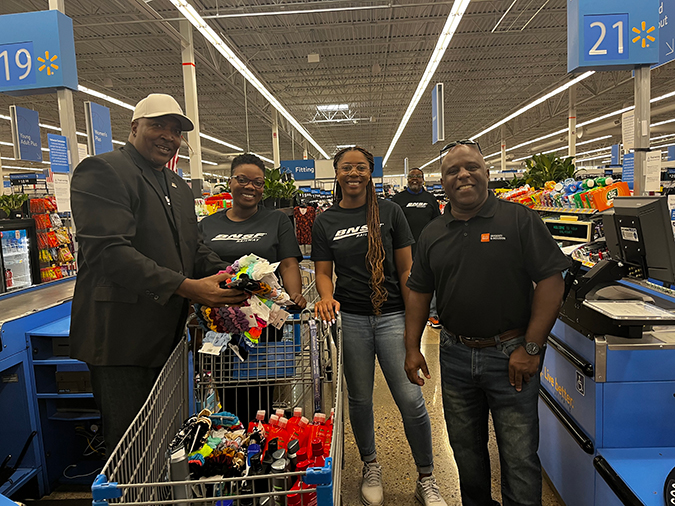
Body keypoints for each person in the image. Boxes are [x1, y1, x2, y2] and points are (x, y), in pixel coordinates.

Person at [69, 93, 247, 455]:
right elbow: (108, 253)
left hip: (167, 338)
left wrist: (236, 276)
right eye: (158, 125)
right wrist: (187, 288)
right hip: (121, 339)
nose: (169, 135)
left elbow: (192, 248)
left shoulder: (178, 186)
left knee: (165, 439)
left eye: (176, 130)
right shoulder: (102, 170)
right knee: (131, 450)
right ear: (135, 127)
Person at [404, 140, 570, 506]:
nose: (463, 175)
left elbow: (551, 281)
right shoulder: (433, 233)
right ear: (442, 182)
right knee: (467, 454)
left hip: (511, 355)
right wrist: (411, 347)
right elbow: (418, 291)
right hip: (455, 354)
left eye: (471, 167)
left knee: (519, 455)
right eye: (452, 171)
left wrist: (531, 348)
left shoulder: (519, 219)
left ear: (487, 173)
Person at [312, 146, 446, 506]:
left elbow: (407, 269)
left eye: (360, 167)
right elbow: (323, 272)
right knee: (359, 399)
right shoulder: (326, 221)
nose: (353, 173)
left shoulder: (391, 212)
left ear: (370, 173)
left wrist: (412, 326)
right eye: (345, 167)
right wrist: (326, 297)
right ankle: (371, 465)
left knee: (411, 399)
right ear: (336, 172)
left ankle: (426, 477)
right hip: (351, 318)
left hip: (392, 316)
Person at [198, 152, 307, 420]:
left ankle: (259, 441)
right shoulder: (207, 225)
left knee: (262, 391)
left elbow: (288, 263)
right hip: (219, 319)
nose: (250, 187)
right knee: (228, 387)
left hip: (264, 321)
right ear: (230, 181)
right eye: (243, 179)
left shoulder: (277, 221)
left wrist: (294, 295)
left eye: (258, 183)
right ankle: (236, 438)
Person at [391, 168, 441, 328]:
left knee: (430, 280)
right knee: (405, 280)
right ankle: (405, 310)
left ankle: (432, 314)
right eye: (412, 176)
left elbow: (438, 223)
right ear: (407, 179)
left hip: (427, 248)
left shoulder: (430, 199)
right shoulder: (397, 200)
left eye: (418, 177)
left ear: (423, 179)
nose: (414, 179)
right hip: (402, 248)